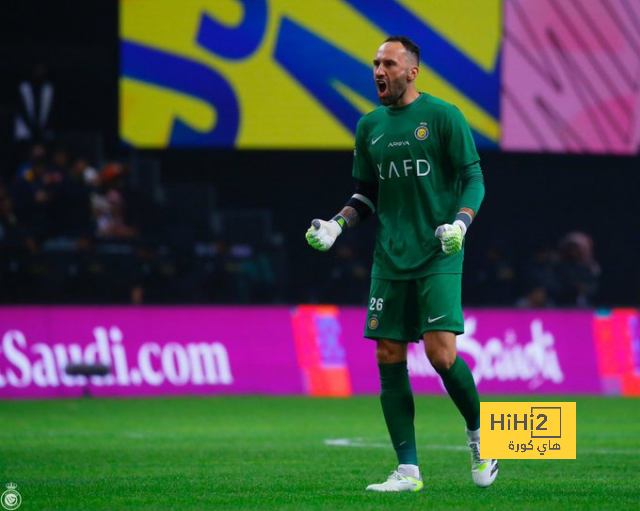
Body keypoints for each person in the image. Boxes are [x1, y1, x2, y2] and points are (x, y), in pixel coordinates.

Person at [305, 36, 498, 492]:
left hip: (439, 251)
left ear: (411, 72)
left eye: (388, 63)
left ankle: (482, 438)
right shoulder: (368, 126)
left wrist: (461, 224)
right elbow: (365, 194)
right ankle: (408, 471)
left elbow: (474, 177)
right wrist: (336, 225)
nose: (378, 70)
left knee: (440, 354)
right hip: (389, 257)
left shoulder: (443, 116)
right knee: (387, 354)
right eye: (374, 63)